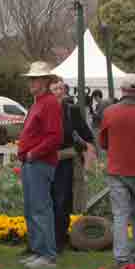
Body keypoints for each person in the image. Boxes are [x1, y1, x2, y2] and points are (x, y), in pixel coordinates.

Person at [99, 74, 135, 269]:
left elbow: (103, 143)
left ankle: (122, 261)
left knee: (121, 215)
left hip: (117, 169)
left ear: (122, 90)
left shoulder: (110, 112)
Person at [17, 63, 63, 269]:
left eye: (34, 79)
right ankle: (38, 251)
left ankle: (47, 255)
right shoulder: (39, 102)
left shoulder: (49, 103)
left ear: (45, 81)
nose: (30, 82)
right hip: (32, 161)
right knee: (32, 208)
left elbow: (56, 137)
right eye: (30, 79)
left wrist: (34, 153)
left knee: (40, 208)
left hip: (39, 162)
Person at [50, 79, 96, 254]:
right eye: (54, 88)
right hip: (45, 161)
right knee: (47, 201)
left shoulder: (71, 111)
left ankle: (59, 240)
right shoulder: (43, 108)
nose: (58, 92)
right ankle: (45, 239)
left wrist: (80, 150)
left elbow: (87, 135)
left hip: (64, 162)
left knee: (61, 201)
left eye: (60, 88)